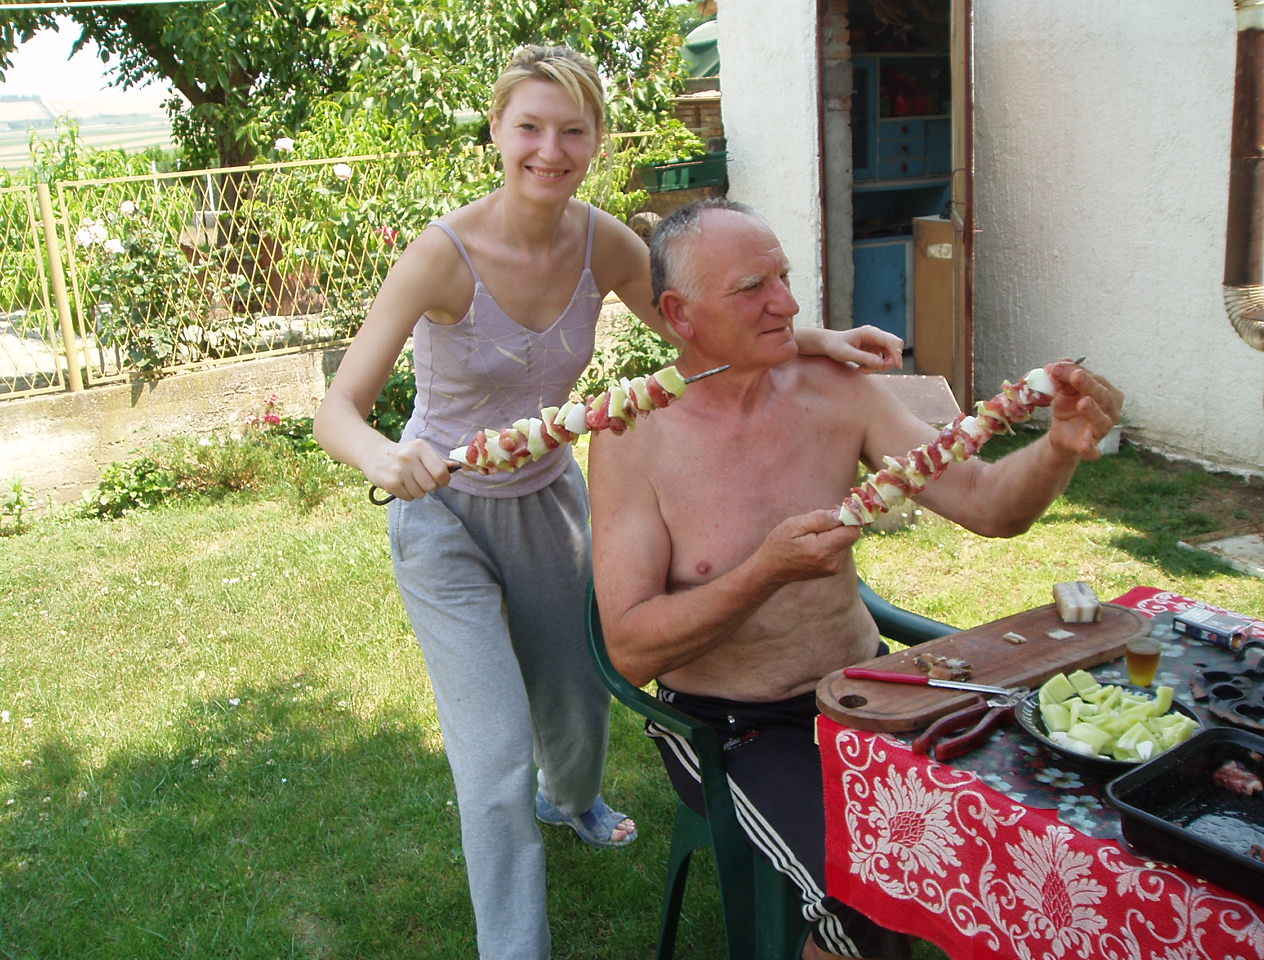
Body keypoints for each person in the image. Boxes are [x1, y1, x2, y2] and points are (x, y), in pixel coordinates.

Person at [313, 47, 904, 960]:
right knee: (494, 752)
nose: (549, 150)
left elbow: (704, 326)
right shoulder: (440, 256)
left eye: (572, 131)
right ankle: (515, 946)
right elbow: (337, 410)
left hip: (550, 496)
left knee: (579, 694)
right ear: (497, 131)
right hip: (443, 512)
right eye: (529, 127)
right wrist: (387, 459)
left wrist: (816, 339)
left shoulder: (606, 244)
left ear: (595, 141)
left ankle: (574, 799)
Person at [587, 198, 1125, 960]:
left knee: (1038, 833)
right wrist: (764, 573)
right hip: (734, 728)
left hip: (870, 694)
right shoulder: (632, 438)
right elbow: (631, 647)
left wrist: (1060, 447)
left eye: (784, 277)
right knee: (869, 901)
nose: (788, 304)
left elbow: (984, 501)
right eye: (753, 288)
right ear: (679, 314)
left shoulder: (835, 390)